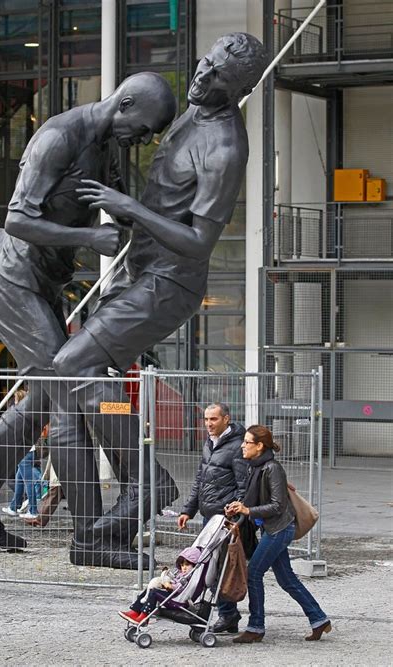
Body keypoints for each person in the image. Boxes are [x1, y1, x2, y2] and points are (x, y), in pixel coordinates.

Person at [54, 33, 268, 568]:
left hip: (167, 284)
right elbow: (164, 202)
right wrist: (124, 202)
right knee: (74, 375)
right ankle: (103, 526)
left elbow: (199, 242)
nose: (201, 76)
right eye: (205, 63)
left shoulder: (225, 147)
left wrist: (127, 205)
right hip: (139, 272)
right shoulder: (190, 112)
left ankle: (146, 487)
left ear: (242, 88)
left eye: (217, 76)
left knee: (70, 365)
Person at [0, 72, 177, 558]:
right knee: (69, 395)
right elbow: (16, 219)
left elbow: (123, 207)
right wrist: (88, 239)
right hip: (12, 284)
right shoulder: (58, 136)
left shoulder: (107, 146)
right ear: (125, 103)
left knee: (40, 404)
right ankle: (88, 538)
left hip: (43, 288)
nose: (146, 138)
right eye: (146, 127)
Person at [225, 425, 331, 644]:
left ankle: (256, 626)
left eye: (247, 442)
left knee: (254, 572)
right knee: (287, 579)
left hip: (279, 529)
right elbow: (253, 498)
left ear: (260, 446)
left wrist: (248, 510)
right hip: (271, 528)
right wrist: (239, 506)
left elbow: (278, 506)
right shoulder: (254, 466)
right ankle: (319, 619)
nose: (242, 446)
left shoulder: (272, 468)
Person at [177, 402, 247, 634]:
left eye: (213, 419)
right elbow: (201, 479)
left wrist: (233, 515)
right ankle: (229, 614)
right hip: (210, 517)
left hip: (224, 520)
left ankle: (228, 614)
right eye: (206, 419)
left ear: (226, 419)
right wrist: (188, 509)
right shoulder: (210, 443)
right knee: (211, 566)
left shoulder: (237, 446)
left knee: (220, 567)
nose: (208, 424)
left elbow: (243, 486)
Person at [118, 546, 201, 625]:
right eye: (182, 565)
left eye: (187, 565)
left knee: (154, 592)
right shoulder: (181, 574)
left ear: (194, 565)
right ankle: (135, 610)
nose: (184, 568)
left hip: (177, 599)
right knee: (150, 588)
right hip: (173, 595)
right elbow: (175, 580)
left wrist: (169, 585)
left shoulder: (188, 578)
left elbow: (178, 587)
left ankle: (144, 616)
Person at [1, 436, 48, 520]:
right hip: (30, 451)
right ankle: (13, 507)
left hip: (25, 452)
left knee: (28, 482)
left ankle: (33, 511)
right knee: (19, 479)